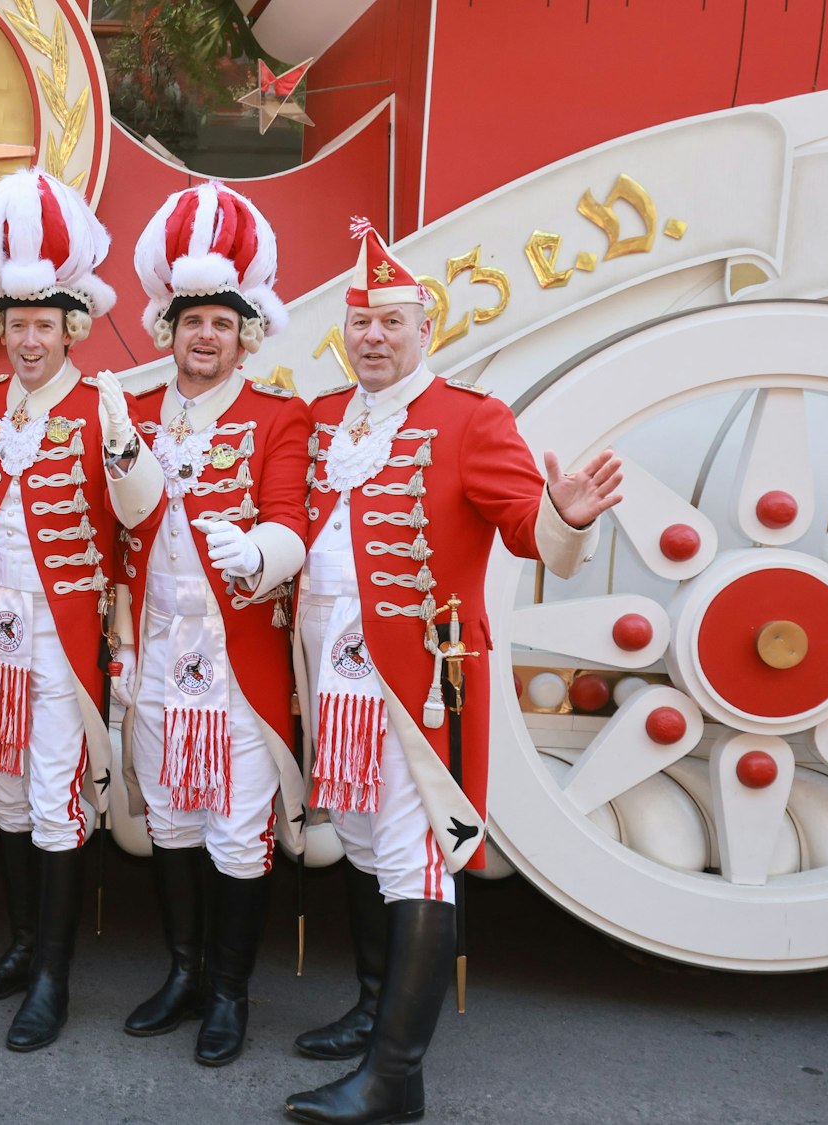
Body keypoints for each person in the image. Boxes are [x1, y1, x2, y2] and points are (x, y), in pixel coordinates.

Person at [284, 221, 622, 1125]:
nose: (375, 337)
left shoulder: (473, 419)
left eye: (392, 321)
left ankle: (397, 1074)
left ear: (424, 329)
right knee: (357, 840)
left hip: (420, 682)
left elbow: (528, 530)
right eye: (361, 323)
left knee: (417, 854)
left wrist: (566, 514)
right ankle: (370, 1007)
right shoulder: (321, 418)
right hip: (330, 673)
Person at [0, 167, 164, 1051]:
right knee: (4, 795)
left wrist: (123, 449)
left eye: (44, 324)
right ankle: (21, 945)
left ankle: (52, 979)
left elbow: (138, 514)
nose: (28, 339)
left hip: (66, 637)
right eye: (16, 323)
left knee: (52, 799)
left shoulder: (102, 404)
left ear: (72, 327)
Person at [113, 181, 311, 1065]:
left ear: (246, 335)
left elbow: (288, 520)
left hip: (234, 660)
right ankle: (185, 971)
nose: (206, 336)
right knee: (171, 820)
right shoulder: (130, 413)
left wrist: (258, 551)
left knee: (237, 828)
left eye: (223, 324)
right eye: (193, 320)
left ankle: (229, 991)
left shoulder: (278, 416)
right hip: (153, 648)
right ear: (170, 326)